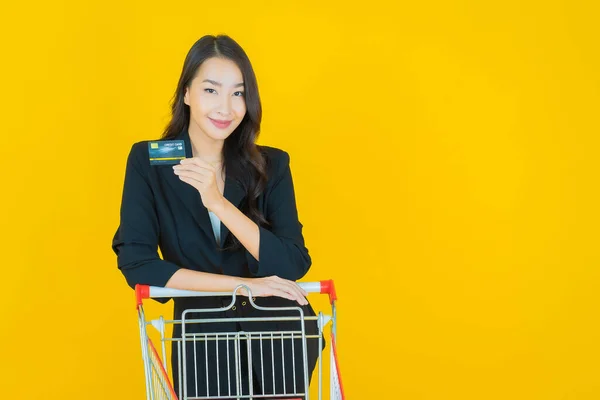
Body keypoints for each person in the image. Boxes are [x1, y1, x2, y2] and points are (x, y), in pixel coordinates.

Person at [111, 34, 321, 399]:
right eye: (211, 90)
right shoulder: (150, 162)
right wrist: (244, 286)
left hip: (279, 342)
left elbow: (292, 262)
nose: (225, 107)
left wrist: (219, 204)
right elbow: (138, 263)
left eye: (238, 93)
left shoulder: (271, 164)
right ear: (187, 93)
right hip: (202, 345)